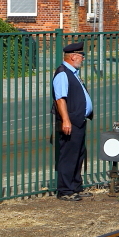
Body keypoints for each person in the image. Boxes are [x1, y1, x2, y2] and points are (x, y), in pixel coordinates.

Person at [51, 42, 93, 201]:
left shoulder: (72, 72)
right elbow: (60, 99)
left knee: (78, 154)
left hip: (78, 120)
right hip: (71, 122)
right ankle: (65, 191)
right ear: (73, 56)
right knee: (68, 156)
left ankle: (75, 187)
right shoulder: (63, 73)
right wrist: (66, 120)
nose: (83, 58)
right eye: (82, 56)